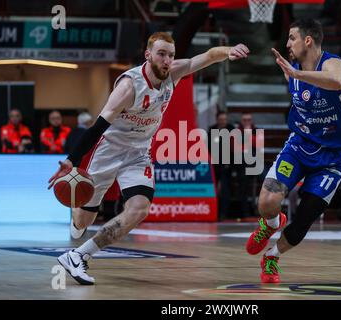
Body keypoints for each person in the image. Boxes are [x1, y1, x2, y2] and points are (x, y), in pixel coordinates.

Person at [48, 32, 249, 285]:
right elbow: (97, 127)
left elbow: (208, 56)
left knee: (140, 209)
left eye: (171, 55)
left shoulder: (174, 72)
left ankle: (79, 256)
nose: (167, 60)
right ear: (148, 55)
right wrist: (71, 160)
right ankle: (78, 215)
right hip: (109, 150)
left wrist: (229, 50)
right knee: (82, 220)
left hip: (139, 154)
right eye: (161, 54)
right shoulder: (129, 86)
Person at [245, 19, 341, 283]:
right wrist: (295, 75)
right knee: (267, 202)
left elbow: (339, 82)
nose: (287, 44)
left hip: (333, 157)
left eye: (291, 38)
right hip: (300, 146)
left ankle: (272, 256)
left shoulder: (334, 64)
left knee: (304, 220)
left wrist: (298, 75)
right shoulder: (290, 71)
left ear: (308, 40)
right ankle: (271, 223)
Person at [207, 110, 236, 219]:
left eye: (224, 119)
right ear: (217, 119)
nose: (223, 121)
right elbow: (208, 146)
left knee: (224, 189)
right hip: (214, 163)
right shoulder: (212, 129)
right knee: (213, 189)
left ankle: (223, 213)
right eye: (220, 119)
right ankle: (214, 211)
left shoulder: (231, 129)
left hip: (227, 163)